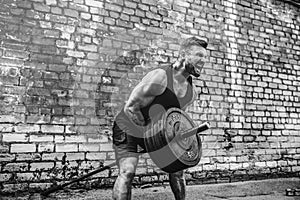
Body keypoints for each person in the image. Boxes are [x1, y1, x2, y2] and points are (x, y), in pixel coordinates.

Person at [112, 37, 208, 200]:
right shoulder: (160, 77)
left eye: (205, 57)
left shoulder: (191, 93)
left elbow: (176, 118)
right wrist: (152, 138)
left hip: (155, 130)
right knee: (127, 172)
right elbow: (131, 108)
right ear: (184, 54)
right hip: (128, 125)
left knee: (177, 171)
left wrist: (176, 141)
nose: (203, 61)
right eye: (199, 55)